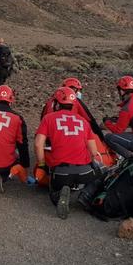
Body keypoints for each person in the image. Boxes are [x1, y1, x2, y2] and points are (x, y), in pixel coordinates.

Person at [35, 87, 102, 219]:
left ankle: (60, 193)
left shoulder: (49, 118)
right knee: (95, 177)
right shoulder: (83, 121)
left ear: (57, 103)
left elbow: (38, 144)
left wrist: (41, 164)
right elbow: (94, 152)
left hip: (61, 172)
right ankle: (83, 194)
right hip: (85, 172)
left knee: (54, 191)